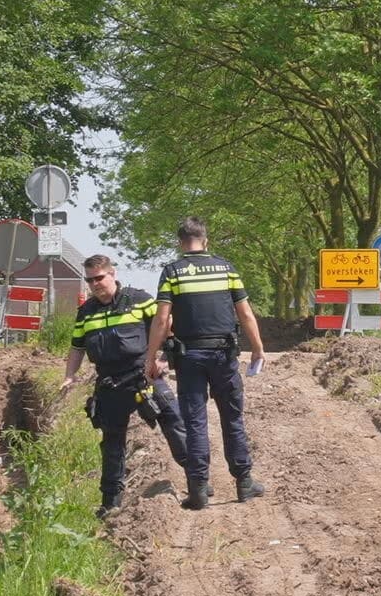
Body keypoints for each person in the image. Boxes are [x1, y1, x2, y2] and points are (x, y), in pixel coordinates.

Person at [146, 216, 268, 509]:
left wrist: (150, 356)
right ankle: (244, 483)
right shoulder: (227, 269)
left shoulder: (172, 272)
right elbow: (246, 314)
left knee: (195, 422)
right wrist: (257, 348)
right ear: (206, 240)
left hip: (189, 358)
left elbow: (162, 319)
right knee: (232, 418)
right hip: (224, 355)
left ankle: (198, 489)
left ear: (180, 242)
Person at [61, 254, 190, 517]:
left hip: (143, 377)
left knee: (174, 422)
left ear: (113, 274)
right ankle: (111, 502)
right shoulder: (86, 313)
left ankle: (197, 480)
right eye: (90, 280)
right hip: (109, 383)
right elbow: (76, 348)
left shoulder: (139, 300)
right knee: (112, 442)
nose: (95, 284)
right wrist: (69, 375)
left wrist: (165, 358)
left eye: (99, 278)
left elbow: (167, 326)